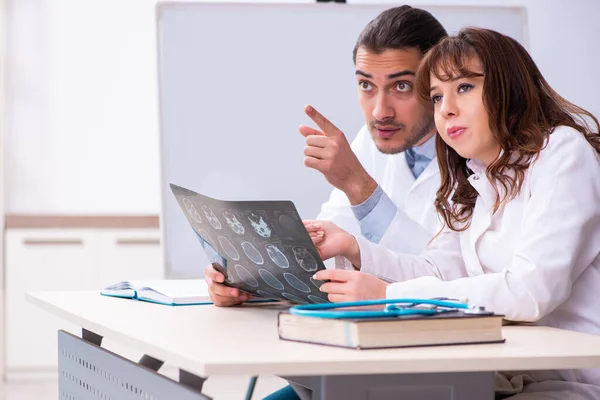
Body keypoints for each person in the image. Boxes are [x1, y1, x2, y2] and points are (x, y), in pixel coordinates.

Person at [307, 27, 600, 399]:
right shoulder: (479, 175)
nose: (445, 109)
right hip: (506, 373)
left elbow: (530, 290)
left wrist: (391, 294)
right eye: (436, 96)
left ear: (508, 86)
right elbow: (438, 269)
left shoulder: (562, 153)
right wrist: (356, 249)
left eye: (464, 87)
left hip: (574, 380)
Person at [205, 4, 447, 304]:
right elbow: (326, 251)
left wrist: (358, 185)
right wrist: (250, 281)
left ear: (437, 84)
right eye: (366, 85)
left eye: (401, 86)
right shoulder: (371, 140)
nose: (379, 111)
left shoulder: (475, 157)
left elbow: (444, 276)